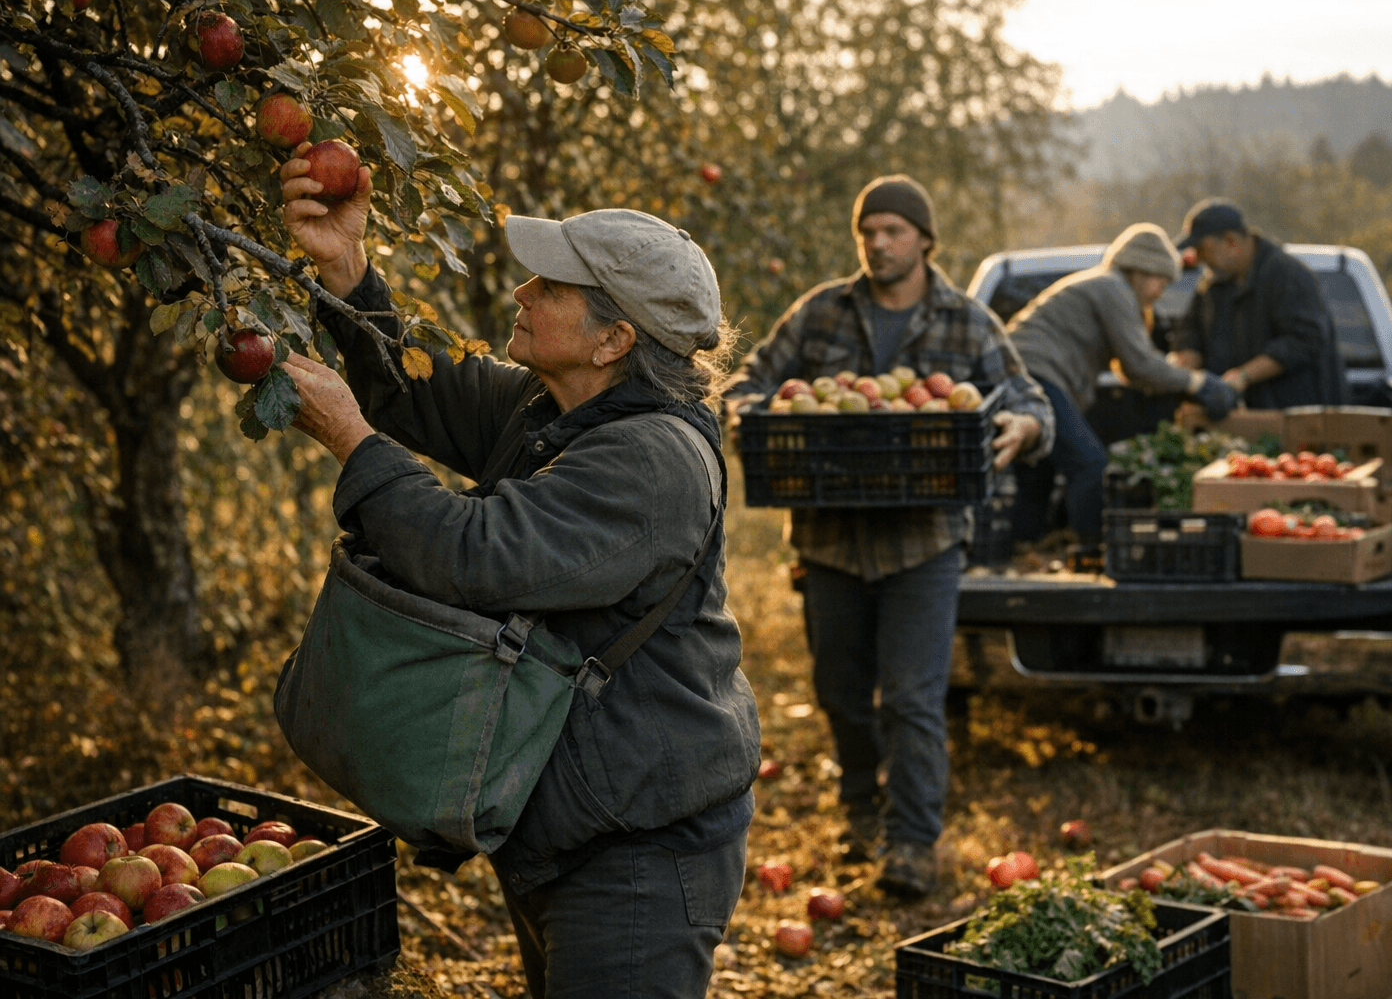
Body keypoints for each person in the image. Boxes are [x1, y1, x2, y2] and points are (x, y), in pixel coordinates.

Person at [277, 143, 760, 999]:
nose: (521, 292)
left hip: (641, 850)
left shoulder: (649, 464)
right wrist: (349, 274)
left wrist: (352, 441)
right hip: (575, 819)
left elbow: (473, 554)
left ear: (613, 338)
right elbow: (417, 391)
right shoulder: (556, 408)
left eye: (550, 287)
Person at [724, 174, 1054, 898]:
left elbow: (1029, 400)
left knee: (911, 696)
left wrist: (1025, 427)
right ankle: (859, 809)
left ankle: (911, 841)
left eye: (893, 230)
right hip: (830, 538)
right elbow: (752, 379)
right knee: (842, 692)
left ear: (925, 240)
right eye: (867, 230)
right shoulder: (819, 313)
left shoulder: (967, 322)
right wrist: (749, 412)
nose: (878, 242)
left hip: (923, 542)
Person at [1005, 223, 1239, 544]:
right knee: (1089, 463)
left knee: (1038, 475)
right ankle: (1093, 551)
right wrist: (1198, 382)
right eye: (1160, 281)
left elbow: (1130, 369)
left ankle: (1020, 555)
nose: (1159, 293)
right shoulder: (1112, 288)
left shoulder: (1103, 286)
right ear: (1141, 271)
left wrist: (1172, 375)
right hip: (1037, 376)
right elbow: (1140, 364)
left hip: (1016, 375)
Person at [1171, 199, 1347, 409]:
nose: (1198, 258)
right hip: (1238, 418)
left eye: (1201, 249)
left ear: (1231, 242)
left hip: (1296, 416)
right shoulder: (1213, 283)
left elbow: (1304, 339)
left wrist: (1243, 376)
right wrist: (1188, 372)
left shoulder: (1286, 275)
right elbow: (1190, 331)